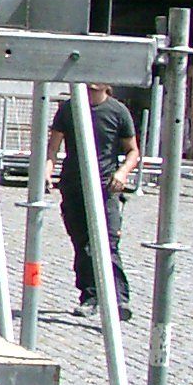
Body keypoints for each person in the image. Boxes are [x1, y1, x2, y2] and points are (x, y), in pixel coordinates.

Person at [46, 82, 142, 320]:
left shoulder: (117, 111)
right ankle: (90, 296)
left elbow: (133, 151)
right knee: (83, 243)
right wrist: (47, 171)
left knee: (107, 242)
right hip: (73, 185)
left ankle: (119, 299)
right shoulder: (68, 109)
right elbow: (53, 148)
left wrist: (122, 173)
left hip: (105, 187)